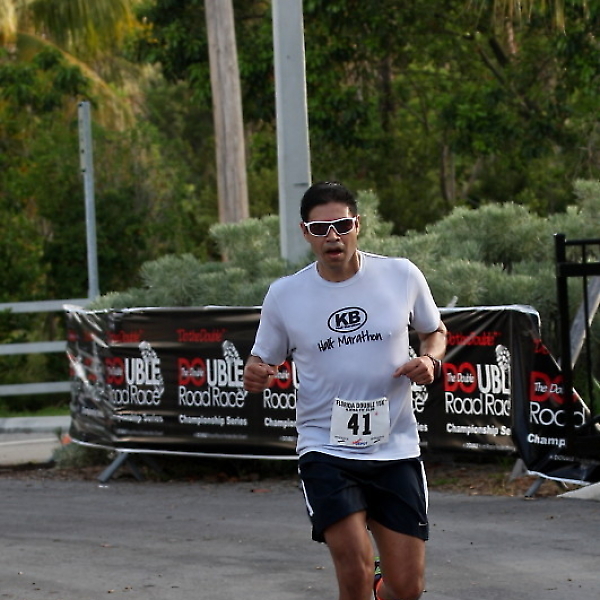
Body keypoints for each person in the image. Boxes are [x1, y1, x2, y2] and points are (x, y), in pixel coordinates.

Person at [243, 181, 447, 600]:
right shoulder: (285, 295)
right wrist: (255, 372)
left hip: (395, 447)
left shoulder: (401, 275)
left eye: (341, 225)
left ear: (358, 225)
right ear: (306, 233)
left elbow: (434, 331)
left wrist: (430, 361)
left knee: (407, 588)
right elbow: (261, 359)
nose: (332, 236)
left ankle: (383, 586)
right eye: (320, 229)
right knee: (354, 566)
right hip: (326, 448)